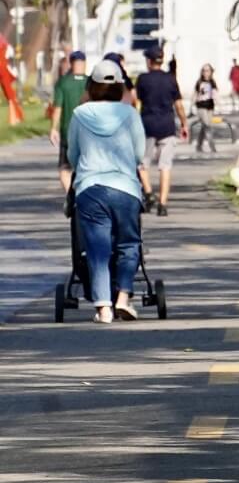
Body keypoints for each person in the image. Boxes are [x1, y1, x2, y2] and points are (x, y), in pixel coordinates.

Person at [67, 60, 145, 324]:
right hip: (125, 188)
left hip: (91, 188)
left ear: (93, 85)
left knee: (97, 249)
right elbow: (140, 154)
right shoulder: (130, 114)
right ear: (120, 86)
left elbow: (72, 154)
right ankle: (123, 297)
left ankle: (103, 308)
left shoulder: (80, 114)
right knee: (128, 244)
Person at [136, 46, 189, 217]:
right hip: (167, 125)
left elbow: (137, 103)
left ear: (149, 61)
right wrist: (184, 123)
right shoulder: (170, 80)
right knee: (165, 166)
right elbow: (179, 105)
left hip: (147, 125)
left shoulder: (142, 79)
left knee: (142, 163)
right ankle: (163, 204)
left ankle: (149, 192)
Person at [50, 51, 88, 192]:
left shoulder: (63, 83)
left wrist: (53, 128)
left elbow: (58, 107)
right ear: (84, 64)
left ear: (71, 64)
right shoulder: (91, 82)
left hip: (68, 131)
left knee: (65, 168)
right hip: (89, 131)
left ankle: (70, 195)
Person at [192, 63, 218, 153]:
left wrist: (218, 103)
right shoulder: (199, 82)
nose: (206, 73)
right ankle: (212, 147)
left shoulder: (212, 82)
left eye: (207, 71)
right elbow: (195, 94)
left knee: (204, 127)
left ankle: (198, 146)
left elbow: (215, 93)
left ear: (211, 72)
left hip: (210, 106)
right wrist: (192, 106)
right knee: (207, 125)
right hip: (201, 106)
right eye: (204, 71)